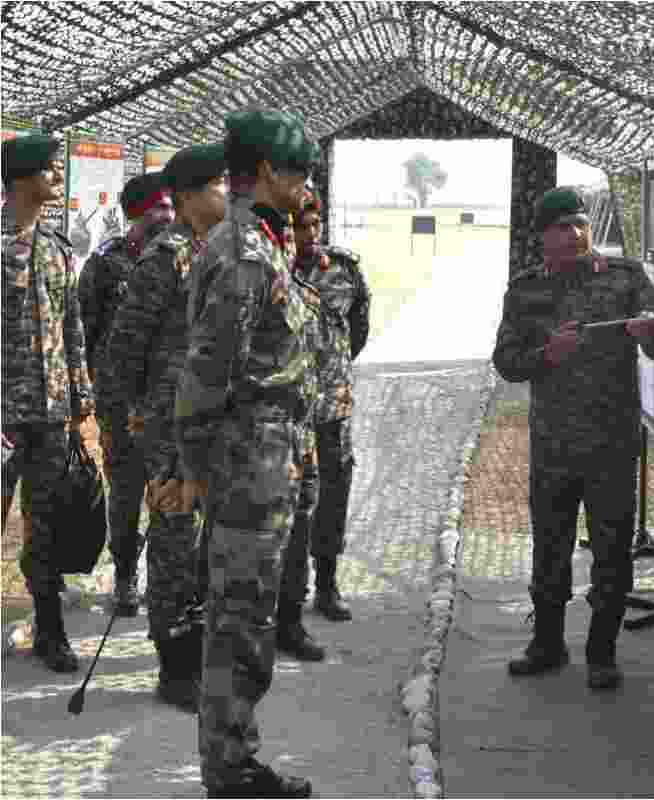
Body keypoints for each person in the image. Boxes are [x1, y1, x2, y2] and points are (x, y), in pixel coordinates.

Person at [174, 109, 320, 798]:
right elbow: (206, 377)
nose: (305, 185)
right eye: (298, 170)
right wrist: (202, 473)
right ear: (265, 170)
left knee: (248, 618)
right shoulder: (241, 255)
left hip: (264, 461)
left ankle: (235, 759)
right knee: (238, 625)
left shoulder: (264, 244)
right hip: (245, 468)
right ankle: (229, 773)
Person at [492, 185, 654, 690]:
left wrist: (650, 333)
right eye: (561, 227)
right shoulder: (525, 290)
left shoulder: (625, 277)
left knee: (612, 551)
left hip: (612, 445)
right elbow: (506, 362)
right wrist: (547, 355)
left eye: (580, 224)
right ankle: (547, 644)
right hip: (553, 447)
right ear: (542, 238)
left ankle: (602, 651)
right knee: (549, 550)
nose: (574, 234)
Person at [98, 143, 228, 711]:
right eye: (221, 185)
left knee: (204, 547)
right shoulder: (166, 259)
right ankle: (174, 666)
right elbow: (120, 351)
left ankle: (197, 651)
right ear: (193, 195)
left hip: (211, 426)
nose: (230, 194)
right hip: (170, 429)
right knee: (175, 544)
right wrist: (122, 424)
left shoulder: (218, 252)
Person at [1, 132, 95, 673]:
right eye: (49, 170)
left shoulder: (58, 249)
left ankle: (50, 632)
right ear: (20, 179)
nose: (57, 178)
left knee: (46, 523)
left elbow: (73, 329)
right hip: (3, 418)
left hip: (51, 414)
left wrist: (81, 398)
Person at [85, 170, 176, 617]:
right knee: (124, 491)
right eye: (159, 207)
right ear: (136, 213)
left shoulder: (180, 259)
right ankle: (124, 577)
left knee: (170, 490)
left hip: (166, 402)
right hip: (119, 403)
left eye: (170, 206)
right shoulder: (105, 263)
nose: (167, 214)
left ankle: (166, 580)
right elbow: (85, 329)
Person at [286, 188, 369, 623]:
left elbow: (357, 330)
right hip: (288, 409)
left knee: (334, 494)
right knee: (295, 499)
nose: (309, 234)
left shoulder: (343, 268)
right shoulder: (272, 267)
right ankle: (291, 592)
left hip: (333, 405)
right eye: (300, 225)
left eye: (315, 224)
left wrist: (330, 373)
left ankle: (327, 582)